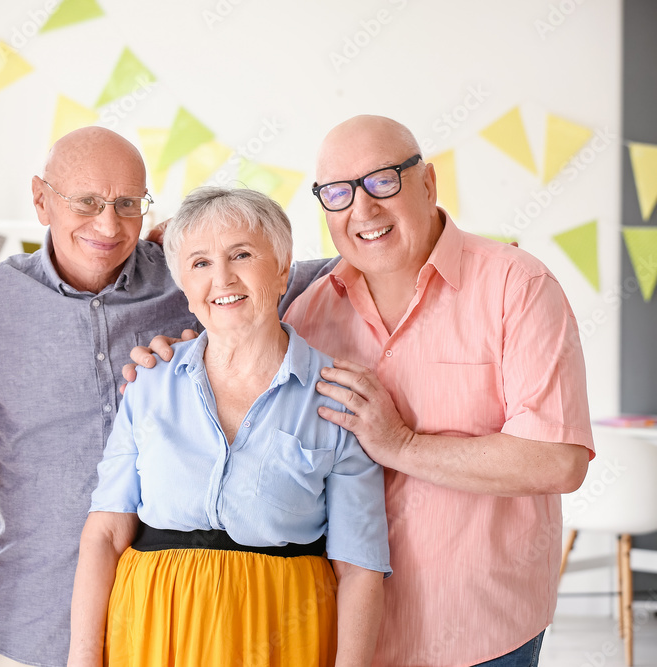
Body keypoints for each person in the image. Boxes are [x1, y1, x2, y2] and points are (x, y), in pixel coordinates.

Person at [130, 116, 594, 667]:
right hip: (334, 632)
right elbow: (229, 317)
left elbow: (558, 461)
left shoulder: (517, 288)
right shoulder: (306, 311)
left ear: (427, 184)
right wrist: (182, 357)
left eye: (383, 181)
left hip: (478, 632)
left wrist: (400, 444)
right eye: (339, 192)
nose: (363, 209)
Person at [0, 127, 336, 667]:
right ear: (41, 200)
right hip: (35, 618)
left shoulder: (195, 278)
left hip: (171, 620)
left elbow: (335, 267)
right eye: (87, 202)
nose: (108, 224)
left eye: (127, 204)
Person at [67, 187, 390, 667]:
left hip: (282, 636)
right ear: (183, 283)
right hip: (152, 633)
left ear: (283, 269)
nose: (222, 278)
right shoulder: (149, 382)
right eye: (199, 263)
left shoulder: (338, 397)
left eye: (242, 254)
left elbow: (359, 567)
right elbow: (106, 533)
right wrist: (83, 660)